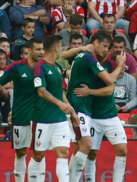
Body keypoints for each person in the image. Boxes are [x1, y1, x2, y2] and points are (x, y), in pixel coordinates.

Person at [66, 30, 126, 182]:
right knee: (86, 150)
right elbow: (64, 55)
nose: (106, 50)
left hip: (108, 114)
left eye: (109, 48)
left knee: (122, 149)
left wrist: (89, 91)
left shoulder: (109, 64)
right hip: (88, 111)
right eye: (104, 46)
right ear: (95, 44)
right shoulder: (89, 57)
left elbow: (110, 88)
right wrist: (121, 66)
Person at [27, 35, 79, 182]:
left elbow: (59, 92)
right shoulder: (39, 66)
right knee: (38, 155)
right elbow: (41, 91)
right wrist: (60, 104)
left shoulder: (56, 67)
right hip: (42, 118)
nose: (62, 49)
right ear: (56, 48)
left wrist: (71, 111)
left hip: (60, 119)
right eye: (61, 47)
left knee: (63, 152)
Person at [0, 38, 45, 182]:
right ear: (29, 51)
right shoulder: (16, 67)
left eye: (43, 49)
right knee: (20, 153)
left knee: (40, 152)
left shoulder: (46, 67)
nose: (41, 52)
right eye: (38, 49)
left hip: (41, 117)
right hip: (20, 116)